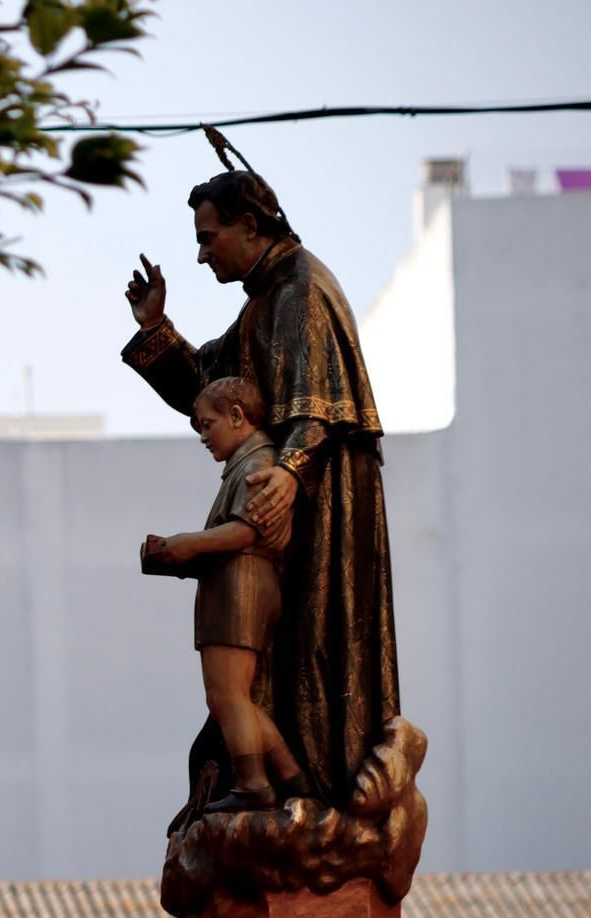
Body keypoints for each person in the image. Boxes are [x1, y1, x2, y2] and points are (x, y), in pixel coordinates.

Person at [119, 131, 398, 811]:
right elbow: (212, 392)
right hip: (290, 503)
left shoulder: (301, 290)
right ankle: (288, 786)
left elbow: (320, 407)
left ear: (250, 225)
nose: (200, 253)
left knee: (309, 651)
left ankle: (307, 788)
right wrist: (156, 329)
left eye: (208, 237)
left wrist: (292, 471)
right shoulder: (264, 299)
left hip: (320, 502)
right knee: (267, 674)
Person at [142, 377, 307, 812]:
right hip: (237, 585)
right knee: (228, 698)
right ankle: (292, 776)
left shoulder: (259, 463)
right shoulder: (246, 463)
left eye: (207, 424)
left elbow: (246, 531)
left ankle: (254, 783)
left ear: (237, 416)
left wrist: (189, 542)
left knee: (228, 696)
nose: (203, 436)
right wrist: (174, 555)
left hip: (241, 588)